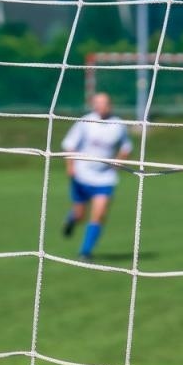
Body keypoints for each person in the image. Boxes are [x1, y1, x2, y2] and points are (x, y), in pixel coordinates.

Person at [60, 92, 134, 259]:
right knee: (80, 214)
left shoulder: (118, 124)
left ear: (110, 105)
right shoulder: (85, 121)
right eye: (97, 103)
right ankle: (71, 220)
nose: (100, 106)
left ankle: (85, 252)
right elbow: (70, 144)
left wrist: (118, 162)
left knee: (99, 214)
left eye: (104, 103)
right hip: (82, 175)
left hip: (104, 178)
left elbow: (127, 147)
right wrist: (70, 166)